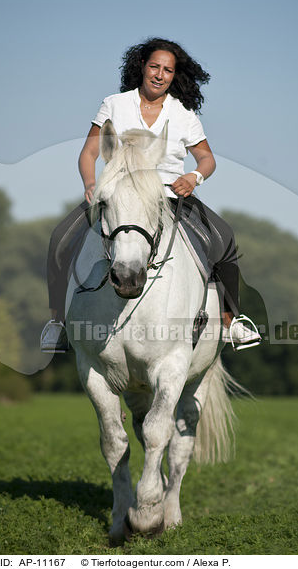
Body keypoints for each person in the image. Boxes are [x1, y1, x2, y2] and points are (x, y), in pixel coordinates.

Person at [40, 37, 262, 353]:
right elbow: (89, 153)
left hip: (170, 196)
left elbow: (207, 159)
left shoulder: (183, 113)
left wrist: (194, 176)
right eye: (154, 66)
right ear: (142, 66)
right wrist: (90, 184)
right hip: (117, 194)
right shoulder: (114, 104)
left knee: (224, 237)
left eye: (167, 70)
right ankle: (58, 323)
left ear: (174, 75)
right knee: (59, 239)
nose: (159, 75)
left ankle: (231, 322)